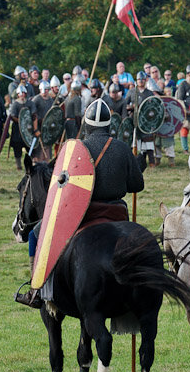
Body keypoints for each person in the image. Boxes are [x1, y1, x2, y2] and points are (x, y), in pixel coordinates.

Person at [15, 99, 145, 308]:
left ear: (86, 123)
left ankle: (36, 291)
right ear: (109, 123)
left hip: (85, 214)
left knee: (34, 234)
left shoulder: (77, 149)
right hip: (118, 214)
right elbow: (137, 186)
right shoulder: (122, 147)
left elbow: (64, 187)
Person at [124, 72, 157, 166]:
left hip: (146, 120)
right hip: (134, 119)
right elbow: (125, 105)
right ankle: (135, 161)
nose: (141, 81)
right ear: (137, 80)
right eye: (139, 79)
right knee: (135, 141)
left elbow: (154, 106)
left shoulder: (149, 93)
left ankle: (151, 161)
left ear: (145, 80)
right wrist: (131, 107)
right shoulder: (131, 92)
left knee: (148, 140)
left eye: (142, 79)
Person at [8, 85, 38, 169]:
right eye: (21, 93)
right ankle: (18, 165)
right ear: (18, 94)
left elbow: (34, 114)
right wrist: (21, 121)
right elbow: (13, 116)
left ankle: (32, 163)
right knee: (17, 147)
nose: (22, 95)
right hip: (17, 129)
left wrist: (33, 127)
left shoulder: (30, 103)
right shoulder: (15, 104)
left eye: (24, 93)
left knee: (30, 146)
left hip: (28, 128)